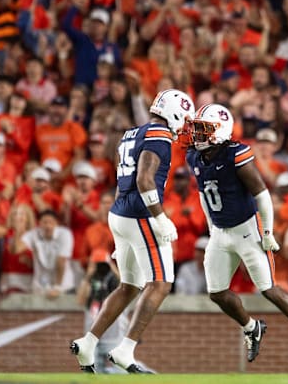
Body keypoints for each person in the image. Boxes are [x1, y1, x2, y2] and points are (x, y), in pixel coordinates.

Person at [186, 103, 288, 370]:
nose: (197, 136)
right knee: (216, 293)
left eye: (204, 130)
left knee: (269, 289)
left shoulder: (235, 155)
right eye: (197, 129)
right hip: (220, 231)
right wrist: (211, 226)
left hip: (247, 230)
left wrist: (267, 232)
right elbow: (204, 194)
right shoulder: (194, 156)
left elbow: (262, 194)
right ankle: (251, 327)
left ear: (220, 131)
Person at [70, 89, 194, 374]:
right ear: (174, 114)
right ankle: (125, 350)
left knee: (129, 286)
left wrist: (122, 228)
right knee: (161, 283)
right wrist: (160, 218)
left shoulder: (131, 134)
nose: (184, 126)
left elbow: (122, 180)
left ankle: (88, 342)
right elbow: (144, 180)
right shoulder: (159, 135)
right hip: (141, 215)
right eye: (184, 119)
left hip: (120, 213)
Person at [75, 248, 127, 374]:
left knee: (119, 369)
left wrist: (111, 267)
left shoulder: (114, 279)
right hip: (92, 333)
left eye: (102, 264)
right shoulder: (90, 280)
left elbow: (125, 288)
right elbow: (80, 300)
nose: (100, 268)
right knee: (93, 371)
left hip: (113, 333)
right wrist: (88, 276)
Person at [22, 209, 76, 296]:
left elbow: (61, 260)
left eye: (51, 222)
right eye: (44, 222)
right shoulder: (33, 234)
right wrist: (19, 227)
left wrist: (57, 287)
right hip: (40, 287)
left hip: (63, 286)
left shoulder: (65, 234)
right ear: (39, 223)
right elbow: (18, 248)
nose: (48, 226)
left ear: (56, 223)